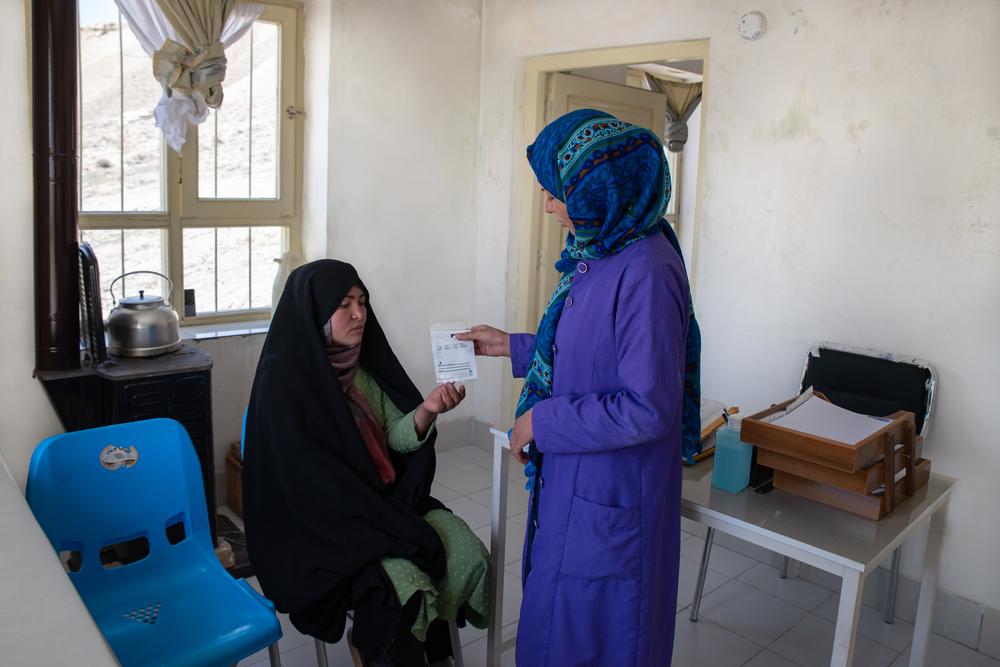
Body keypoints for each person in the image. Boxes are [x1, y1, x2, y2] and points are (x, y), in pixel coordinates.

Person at [458, 109, 701, 666]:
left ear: (599, 189)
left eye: (554, 192)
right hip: (580, 482)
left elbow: (648, 407)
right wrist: (512, 346)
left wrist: (541, 421)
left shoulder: (646, 270)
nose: (546, 205)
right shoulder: (605, 249)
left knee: (601, 641)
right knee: (556, 628)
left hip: (614, 497)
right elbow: (589, 351)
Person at [243, 260, 491, 667]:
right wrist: (368, 512)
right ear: (315, 311)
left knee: (464, 549)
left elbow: (395, 433)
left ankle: (432, 645)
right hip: (321, 524)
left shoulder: (361, 374)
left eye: (362, 301)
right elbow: (300, 485)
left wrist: (427, 410)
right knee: (403, 583)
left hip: (377, 504)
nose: (359, 314)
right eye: (344, 304)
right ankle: (381, 649)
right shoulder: (283, 386)